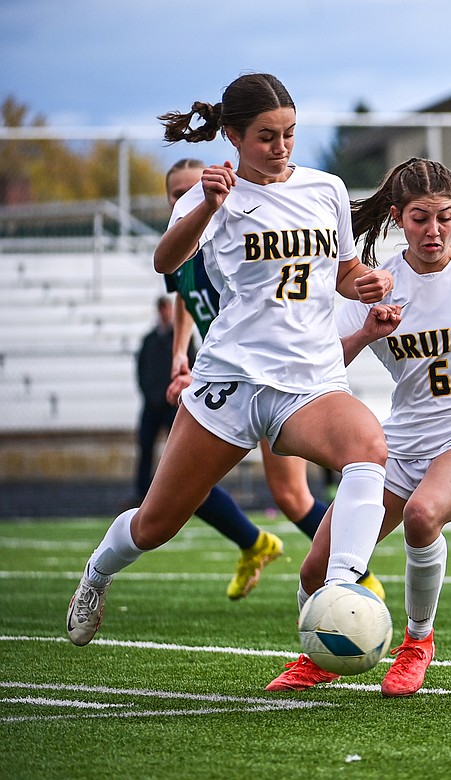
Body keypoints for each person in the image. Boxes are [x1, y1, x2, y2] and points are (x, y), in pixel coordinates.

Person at [66, 73, 393, 647]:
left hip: (308, 380)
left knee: (368, 449)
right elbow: (165, 260)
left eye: (290, 133)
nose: (282, 147)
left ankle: (337, 586)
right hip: (232, 380)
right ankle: (97, 574)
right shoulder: (210, 193)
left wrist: (364, 283)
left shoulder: (327, 189)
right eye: (267, 136)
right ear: (234, 136)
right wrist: (209, 207)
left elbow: (339, 272)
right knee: (156, 524)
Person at [265, 157, 451, 695]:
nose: (434, 231)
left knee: (423, 513)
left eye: (445, 217)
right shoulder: (378, 283)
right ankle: (317, 655)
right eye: (420, 218)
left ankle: (417, 642)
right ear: (397, 217)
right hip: (405, 442)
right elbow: (322, 363)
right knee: (316, 569)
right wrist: (366, 330)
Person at [162, 159, 382, 600]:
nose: (193, 195)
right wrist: (180, 358)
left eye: (195, 186)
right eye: (177, 194)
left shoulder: (236, 235)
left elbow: (326, 276)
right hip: (225, 381)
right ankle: (256, 543)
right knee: (179, 495)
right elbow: (185, 301)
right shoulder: (193, 248)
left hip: (278, 378)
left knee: (291, 493)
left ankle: (350, 575)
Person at [133, 295, 194, 504]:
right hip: (152, 405)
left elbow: (192, 366)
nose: (165, 312)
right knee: (145, 449)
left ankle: (178, 494)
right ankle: (143, 494)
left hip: (173, 404)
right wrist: (150, 394)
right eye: (161, 308)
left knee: (177, 451)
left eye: (167, 308)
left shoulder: (183, 338)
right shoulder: (149, 339)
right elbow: (141, 370)